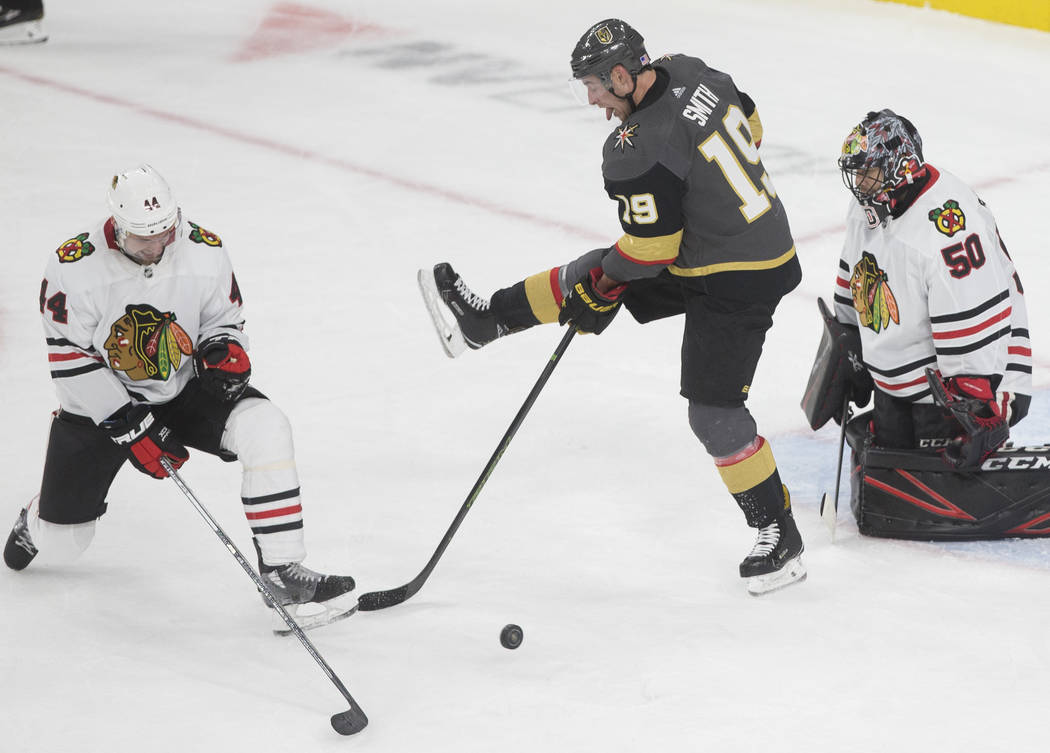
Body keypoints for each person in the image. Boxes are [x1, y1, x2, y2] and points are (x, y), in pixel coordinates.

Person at [417, 19, 805, 595]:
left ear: (623, 76)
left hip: (734, 279)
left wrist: (604, 290)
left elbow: (652, 250)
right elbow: (752, 122)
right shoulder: (695, 70)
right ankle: (486, 321)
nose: (593, 101)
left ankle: (781, 538)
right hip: (752, 242)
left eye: (596, 86)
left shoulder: (635, 148)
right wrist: (606, 277)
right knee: (597, 265)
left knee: (713, 413)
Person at [3, 165, 356, 630]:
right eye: (141, 240)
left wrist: (223, 348)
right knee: (66, 544)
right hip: (99, 409)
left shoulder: (203, 249)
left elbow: (224, 318)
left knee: (266, 426)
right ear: (116, 227)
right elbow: (70, 362)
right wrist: (128, 425)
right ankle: (35, 522)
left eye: (164, 233)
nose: (155, 247)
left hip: (183, 388)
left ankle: (281, 570)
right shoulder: (73, 266)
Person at [803, 109, 1034, 539]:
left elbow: (977, 331)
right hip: (908, 372)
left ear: (900, 168)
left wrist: (978, 410)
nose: (860, 184)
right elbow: (855, 278)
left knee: (942, 467)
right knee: (890, 470)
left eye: (869, 171)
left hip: (969, 378)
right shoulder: (870, 206)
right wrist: (850, 350)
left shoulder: (948, 233)